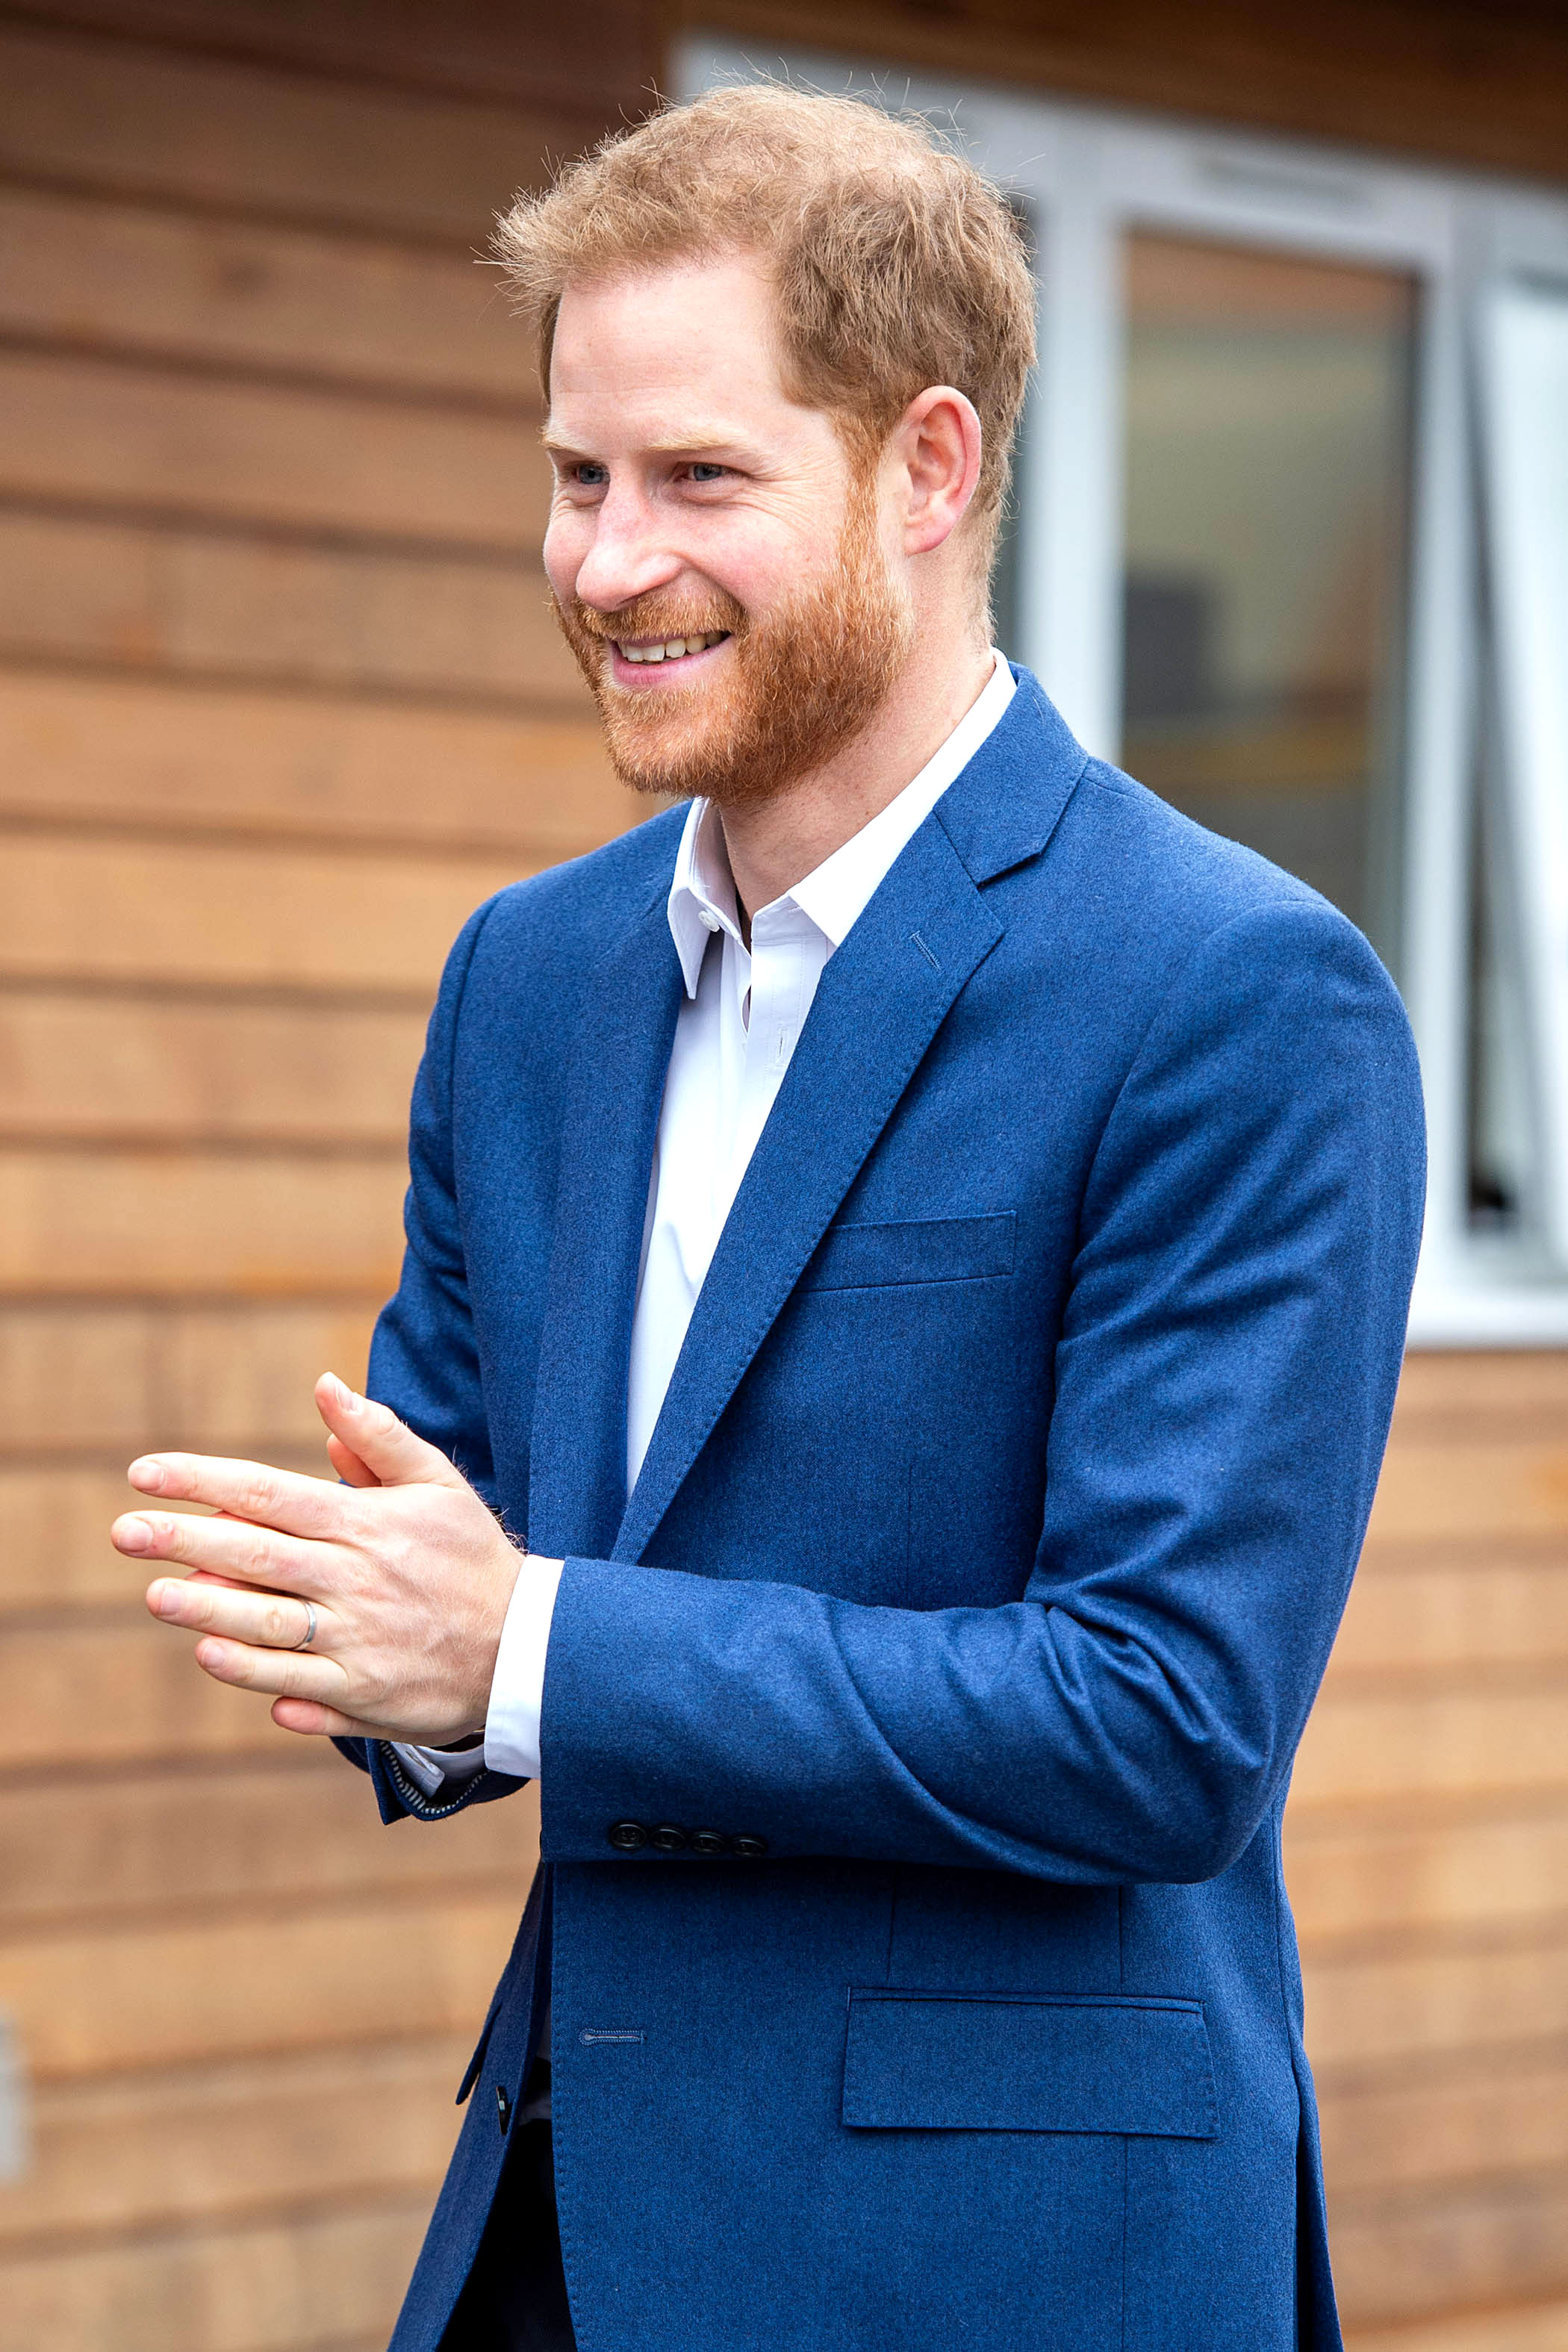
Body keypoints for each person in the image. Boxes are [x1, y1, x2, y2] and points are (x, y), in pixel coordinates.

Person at [114, 84, 1425, 2352]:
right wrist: (373, 1648)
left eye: (699, 479)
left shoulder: (1229, 990)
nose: (608, 563)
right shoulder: (526, 978)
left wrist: (521, 1651)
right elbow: (464, 1553)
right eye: (576, 476)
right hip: (561, 2217)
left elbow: (1163, 1721)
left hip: (1005, 2264)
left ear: (927, 469)